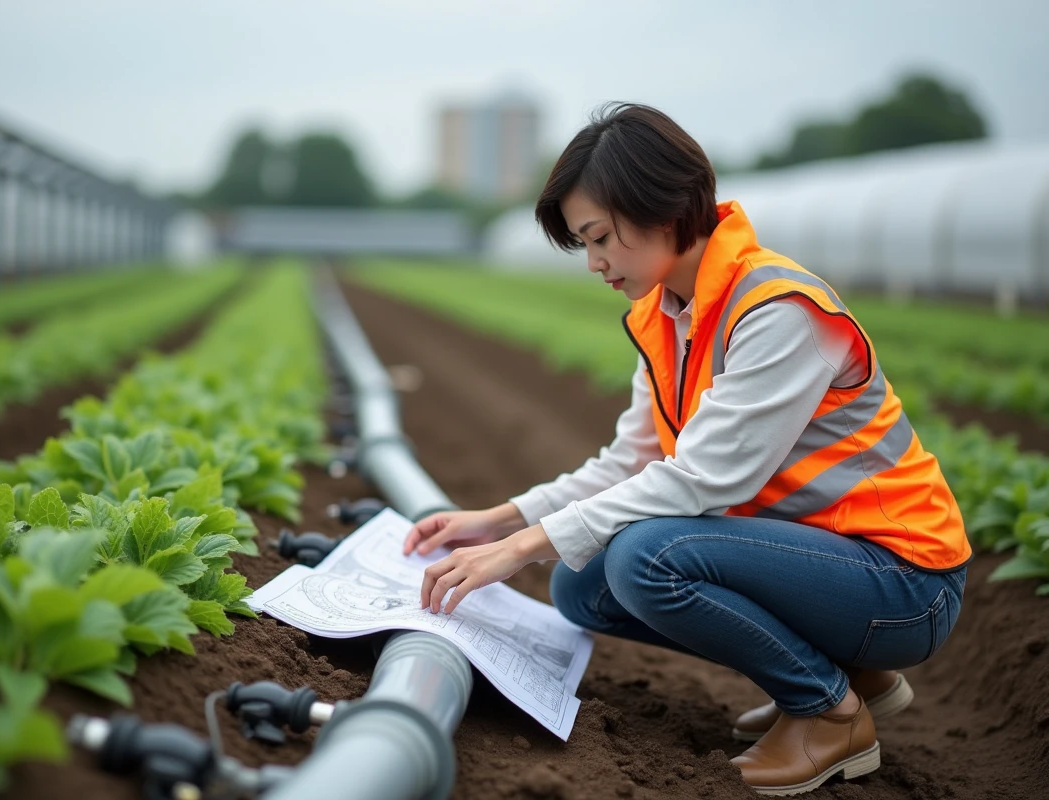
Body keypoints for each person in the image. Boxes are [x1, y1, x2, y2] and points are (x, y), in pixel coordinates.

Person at [403, 102, 972, 796]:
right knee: (584, 584)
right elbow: (629, 463)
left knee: (647, 559)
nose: (594, 263)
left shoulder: (778, 309)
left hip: (904, 582)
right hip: (821, 564)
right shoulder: (666, 314)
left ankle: (828, 712)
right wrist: (499, 520)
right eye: (584, 243)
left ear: (664, 210)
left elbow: (702, 479)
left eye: (601, 237)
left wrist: (522, 547)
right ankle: (849, 673)